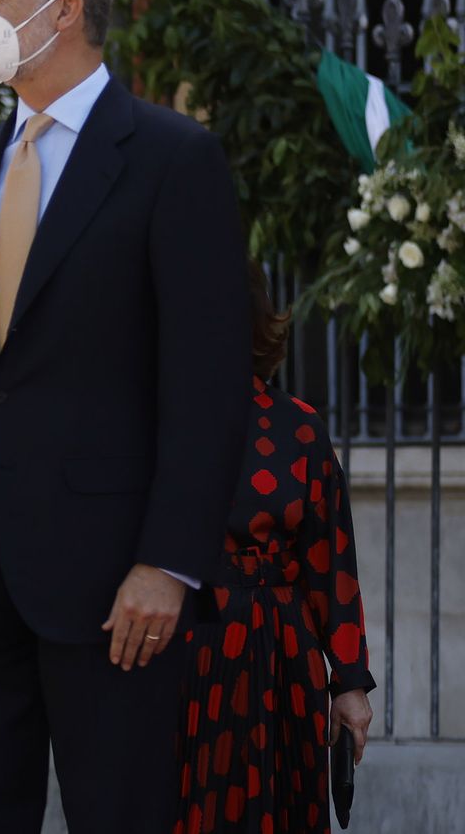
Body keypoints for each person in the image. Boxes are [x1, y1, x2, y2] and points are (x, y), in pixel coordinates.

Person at [0, 0, 251, 832]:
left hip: (115, 589)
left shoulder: (171, 159)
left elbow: (207, 385)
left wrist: (167, 564)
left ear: (62, 10)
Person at [175, 264, 375, 834]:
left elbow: (333, 564)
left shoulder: (301, 428)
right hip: (189, 649)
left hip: (284, 657)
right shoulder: (158, 425)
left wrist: (351, 682)